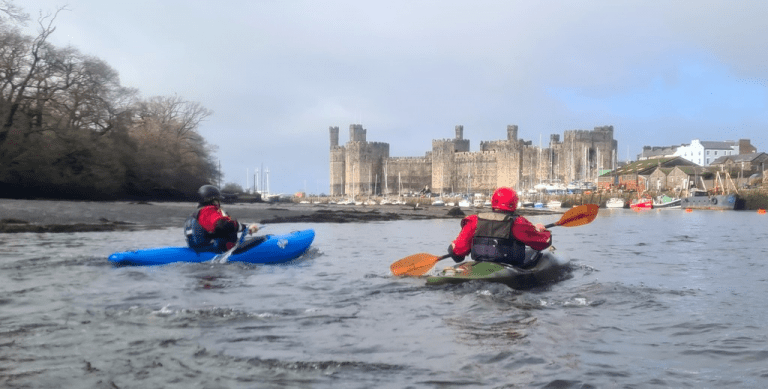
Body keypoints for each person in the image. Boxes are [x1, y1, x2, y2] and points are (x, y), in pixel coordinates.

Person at [447, 187, 552, 267]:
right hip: (509, 267)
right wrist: (542, 230)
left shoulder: (474, 220)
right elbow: (542, 242)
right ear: (514, 203)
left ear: (493, 201)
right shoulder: (519, 223)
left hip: (481, 265)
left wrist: (453, 248)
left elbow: (457, 253)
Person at [184, 185, 259, 251]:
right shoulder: (207, 211)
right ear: (213, 200)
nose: (219, 202)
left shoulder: (196, 214)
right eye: (218, 200)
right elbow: (222, 225)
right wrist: (245, 228)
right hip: (215, 249)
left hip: (198, 249)